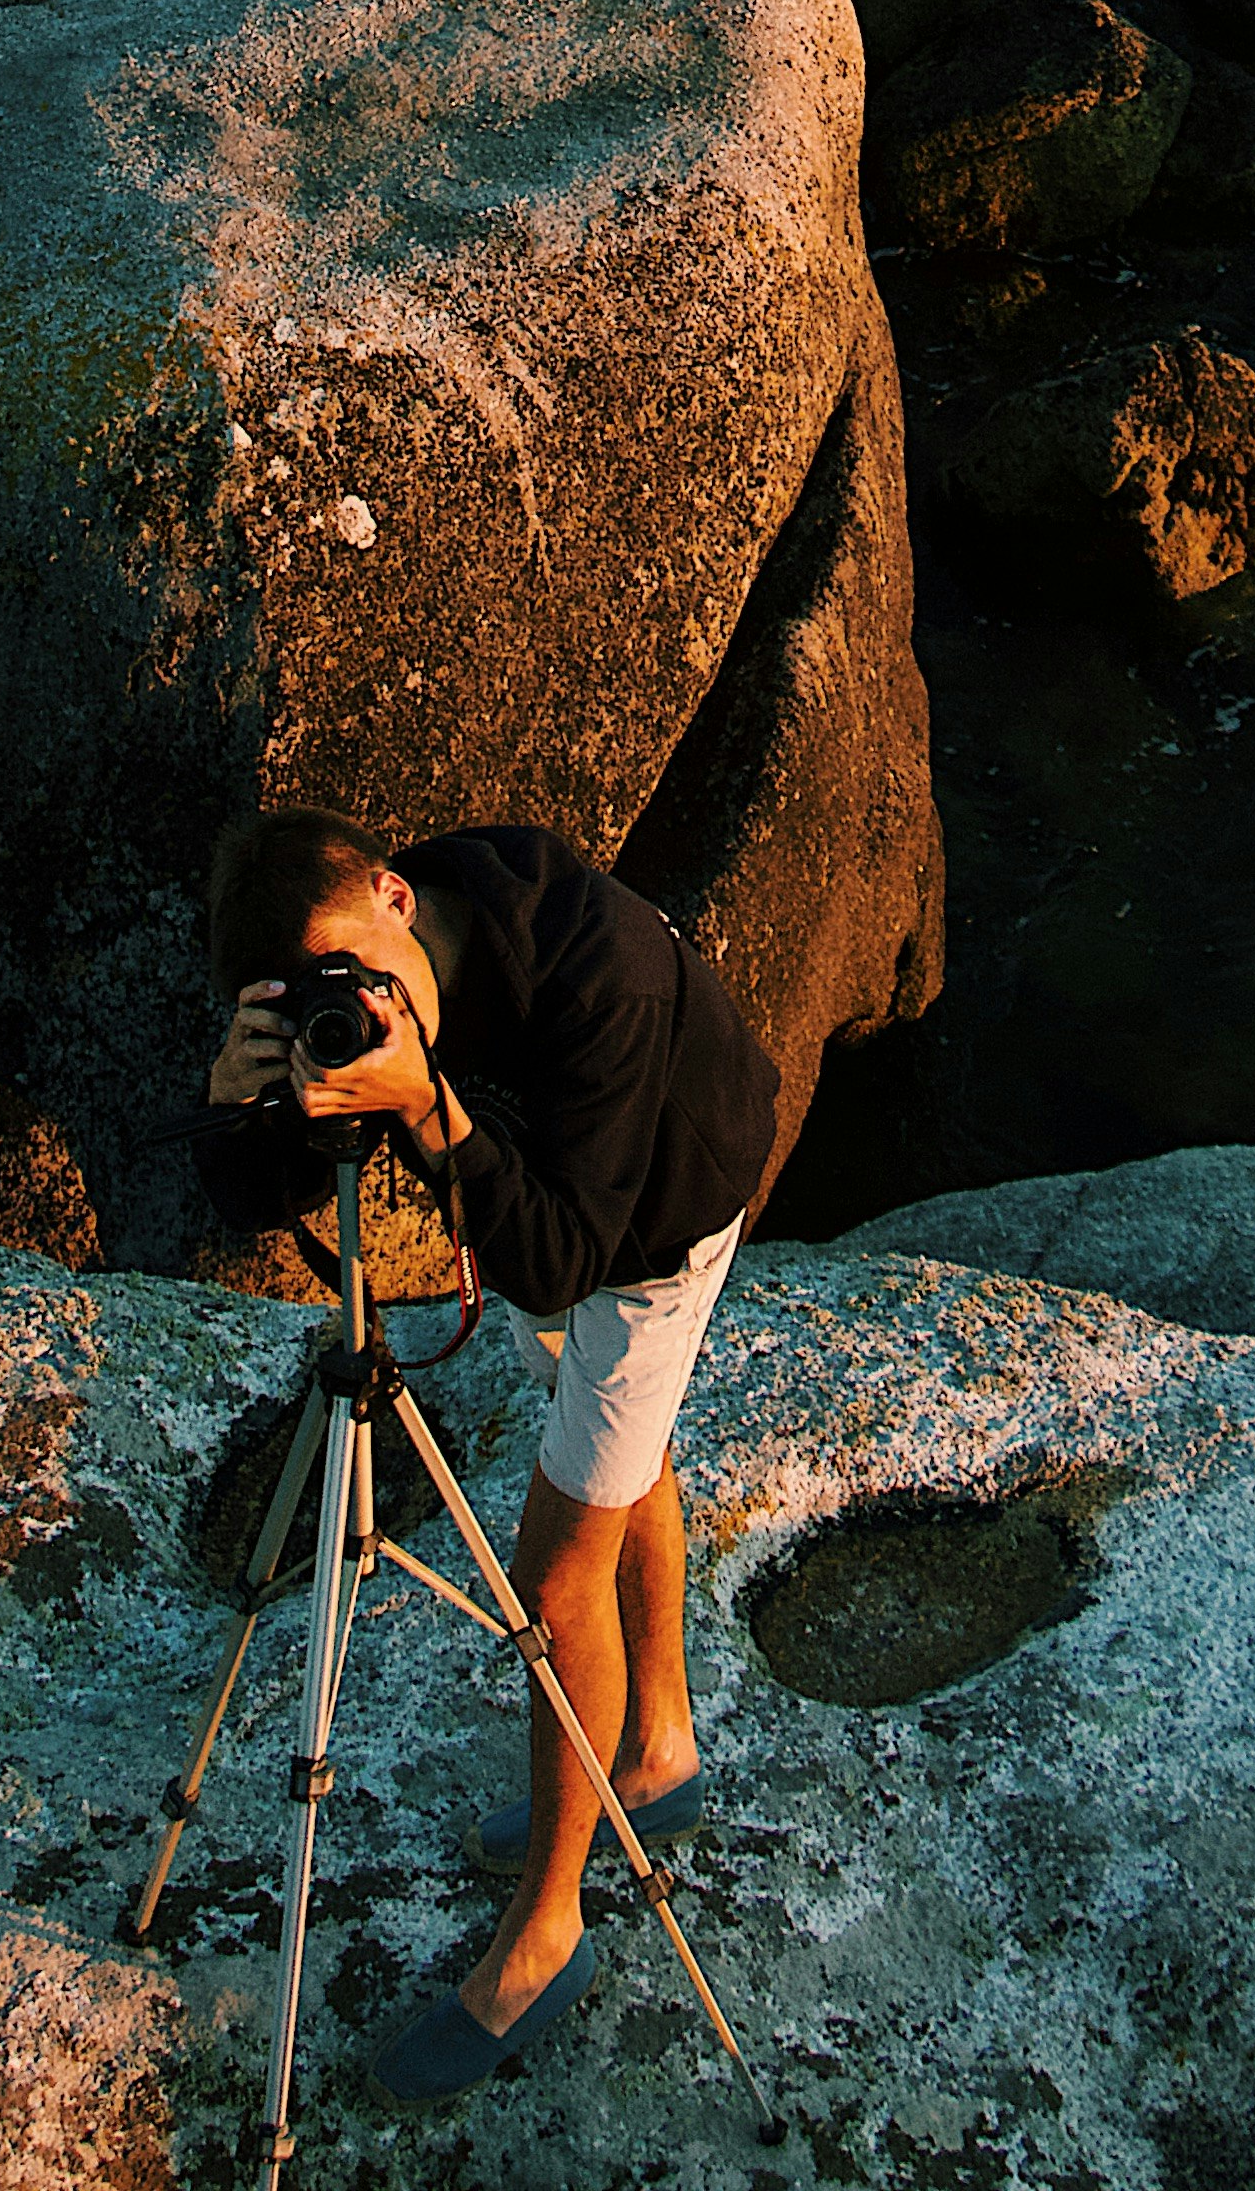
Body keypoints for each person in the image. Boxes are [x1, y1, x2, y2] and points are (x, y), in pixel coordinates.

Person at [195, 802, 780, 2105]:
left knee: (555, 1570)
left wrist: (434, 1110)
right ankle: (659, 1752)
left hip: (661, 1209)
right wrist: (245, 1104)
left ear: (396, 898)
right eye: (313, 999)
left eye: (357, 978)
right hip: (556, 1193)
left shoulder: (595, 973)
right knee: (621, 1448)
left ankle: (550, 1932)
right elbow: (255, 1196)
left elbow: (568, 1263)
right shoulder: (384, 968)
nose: (359, 1010)